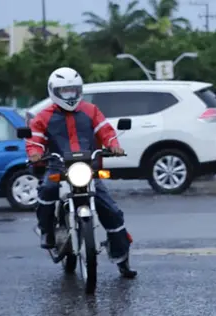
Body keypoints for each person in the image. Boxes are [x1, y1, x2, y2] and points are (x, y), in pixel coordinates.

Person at [27, 67, 136, 278]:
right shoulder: (43, 117)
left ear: (79, 90)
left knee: (112, 211)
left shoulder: (91, 110)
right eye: (64, 90)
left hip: (88, 168)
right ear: (54, 91)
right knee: (47, 189)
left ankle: (122, 258)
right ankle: (46, 231)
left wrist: (114, 145)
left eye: (73, 90)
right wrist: (34, 153)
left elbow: (106, 130)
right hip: (58, 167)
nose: (69, 95)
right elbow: (35, 139)